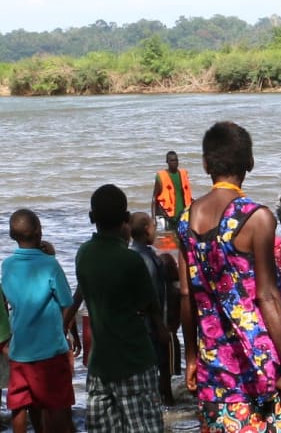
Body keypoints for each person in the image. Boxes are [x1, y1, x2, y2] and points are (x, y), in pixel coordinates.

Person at [177, 122, 281, 432]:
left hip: (214, 367)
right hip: (264, 362)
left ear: (205, 165)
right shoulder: (257, 217)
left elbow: (186, 295)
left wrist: (190, 357)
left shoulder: (186, 219)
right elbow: (267, 295)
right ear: (250, 163)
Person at [77, 185, 166, 432]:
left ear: (92, 217)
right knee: (144, 426)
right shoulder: (130, 260)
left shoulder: (83, 254)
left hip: (100, 365)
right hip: (134, 360)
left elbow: (85, 293)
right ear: (125, 219)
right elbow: (149, 307)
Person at [2, 209, 75, 433]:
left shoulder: (7, 266)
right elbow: (67, 303)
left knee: (19, 405)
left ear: (14, 236)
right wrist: (61, 330)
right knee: (56, 405)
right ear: (38, 231)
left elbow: (8, 302)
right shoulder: (49, 265)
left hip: (19, 350)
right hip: (49, 351)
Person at [129, 211, 176, 406]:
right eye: (155, 228)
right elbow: (149, 295)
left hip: (141, 325)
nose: (156, 232)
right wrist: (160, 324)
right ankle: (166, 400)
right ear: (147, 230)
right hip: (153, 324)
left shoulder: (132, 255)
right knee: (162, 364)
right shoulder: (146, 259)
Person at [152, 150, 193, 232]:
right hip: (168, 216)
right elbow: (154, 198)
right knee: (170, 239)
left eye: (176, 160)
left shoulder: (183, 174)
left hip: (183, 214)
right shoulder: (161, 177)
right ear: (167, 162)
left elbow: (187, 194)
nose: (174, 162)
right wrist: (153, 218)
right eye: (172, 160)